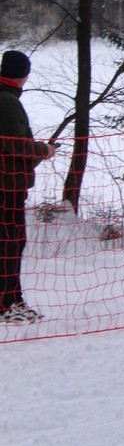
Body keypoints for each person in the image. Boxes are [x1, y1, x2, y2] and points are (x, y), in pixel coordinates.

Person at [0, 50, 56, 324]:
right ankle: (6, 304)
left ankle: (13, 299)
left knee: (13, 242)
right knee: (10, 243)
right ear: (23, 76)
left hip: (10, 184)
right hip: (6, 186)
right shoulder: (7, 101)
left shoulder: (7, 98)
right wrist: (43, 150)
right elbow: (14, 144)